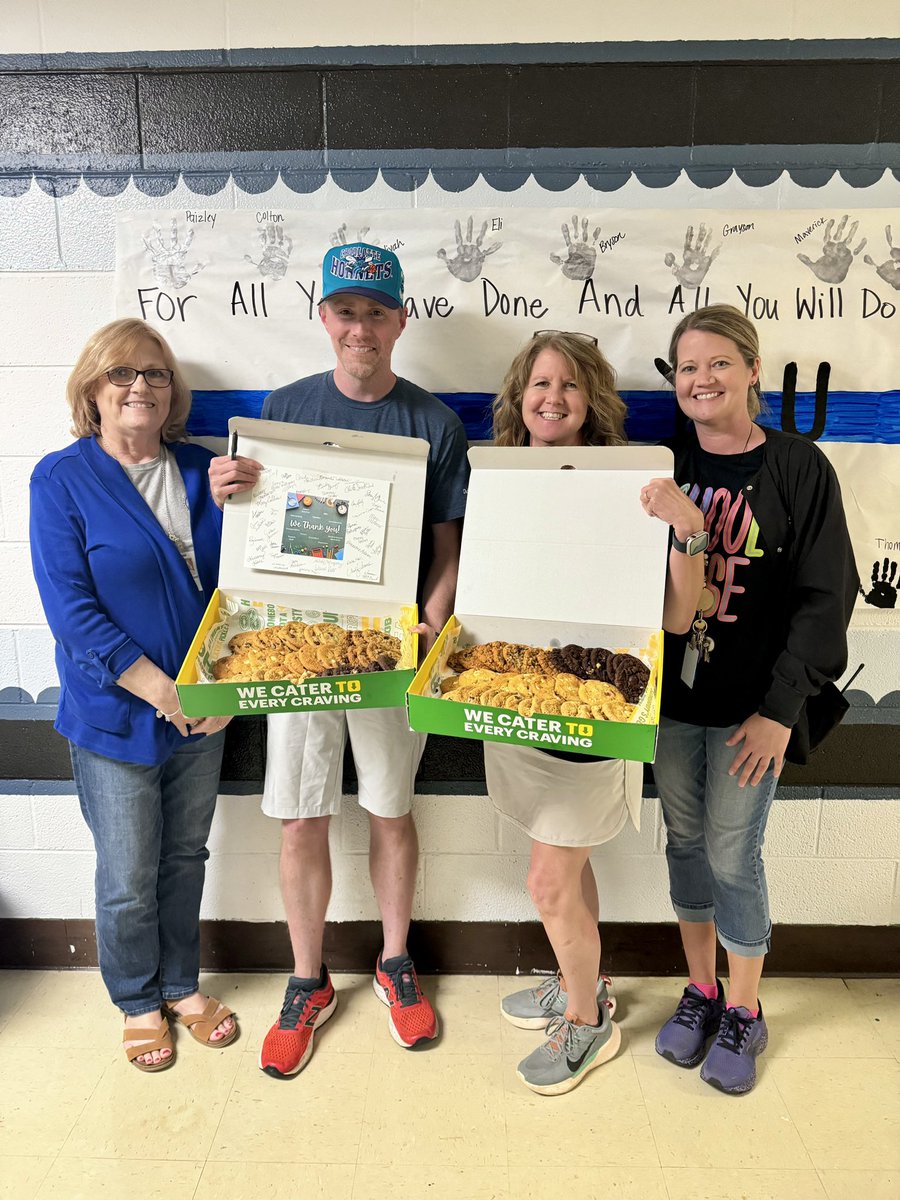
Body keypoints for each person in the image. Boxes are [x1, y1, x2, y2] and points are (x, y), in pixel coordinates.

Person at [209, 242, 469, 1077]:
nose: (361, 326)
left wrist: (433, 611)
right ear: (324, 317)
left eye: (376, 311)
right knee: (300, 812)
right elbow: (250, 538)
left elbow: (449, 544)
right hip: (296, 644)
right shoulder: (282, 409)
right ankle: (307, 977)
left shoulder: (433, 422)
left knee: (392, 808)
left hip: (391, 649)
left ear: (402, 318)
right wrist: (228, 492)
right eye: (345, 310)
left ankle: (395, 962)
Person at [486, 331, 705, 1095]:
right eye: (539, 383)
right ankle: (587, 982)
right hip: (516, 696)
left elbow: (678, 618)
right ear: (519, 396)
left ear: (593, 402)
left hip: (594, 704)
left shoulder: (631, 483)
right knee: (559, 870)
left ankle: (586, 1021)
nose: (552, 398)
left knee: (549, 881)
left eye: (570, 386)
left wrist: (689, 528)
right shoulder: (499, 477)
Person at [645, 304, 856, 1094]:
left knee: (735, 855)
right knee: (684, 845)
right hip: (671, 704)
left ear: (753, 370)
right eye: (688, 368)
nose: (702, 380)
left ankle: (744, 1008)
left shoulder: (799, 468)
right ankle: (700, 991)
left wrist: (779, 710)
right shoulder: (660, 465)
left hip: (750, 713)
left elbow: (825, 598)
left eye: (719, 364)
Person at [29, 319, 237, 1072]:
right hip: (116, 711)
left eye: (154, 373)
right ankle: (136, 999)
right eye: (122, 373)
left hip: (206, 708)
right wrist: (160, 690)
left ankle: (180, 985)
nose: (139, 386)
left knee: (184, 856)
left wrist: (222, 690)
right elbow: (71, 609)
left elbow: (235, 589)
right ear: (94, 389)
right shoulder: (61, 478)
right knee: (126, 874)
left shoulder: (202, 471)